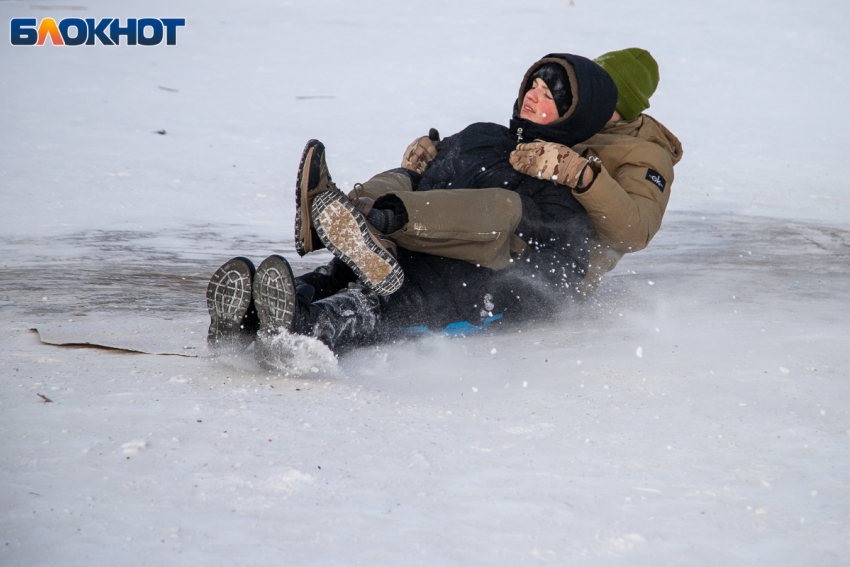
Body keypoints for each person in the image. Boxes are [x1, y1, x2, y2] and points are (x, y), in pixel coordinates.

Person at [207, 52, 618, 354]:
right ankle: (257, 309)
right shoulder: (484, 134)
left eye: (548, 96)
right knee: (349, 258)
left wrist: (512, 290)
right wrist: (423, 162)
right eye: (533, 85)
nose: (532, 96)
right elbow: (426, 179)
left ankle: (307, 322)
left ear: (572, 118)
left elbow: (561, 273)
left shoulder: (563, 188)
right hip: (401, 250)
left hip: (464, 287)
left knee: (381, 298)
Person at [303, 47, 683, 299]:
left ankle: (381, 224)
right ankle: (345, 215)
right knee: (416, 178)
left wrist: (583, 176)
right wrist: (441, 155)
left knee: (501, 207)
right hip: (508, 231)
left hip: (556, 263)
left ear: (625, 106)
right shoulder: (568, 120)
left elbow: (635, 232)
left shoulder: (644, 154)